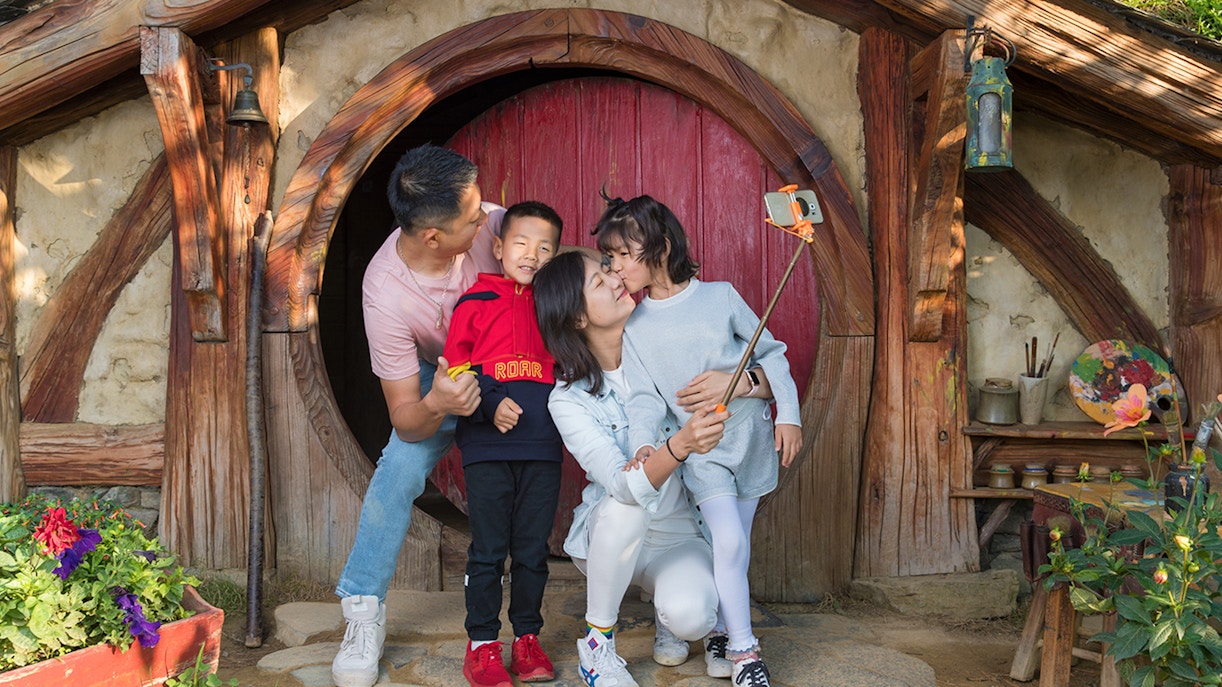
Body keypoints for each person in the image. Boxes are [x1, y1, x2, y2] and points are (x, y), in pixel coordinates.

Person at [535, 250, 778, 687]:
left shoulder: (671, 344)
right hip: (613, 535)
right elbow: (623, 486)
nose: (615, 279)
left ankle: (667, 609)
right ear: (576, 319)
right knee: (626, 504)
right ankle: (597, 647)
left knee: (693, 616)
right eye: (598, 281)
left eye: (610, 269)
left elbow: (770, 373)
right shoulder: (568, 400)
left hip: (679, 533)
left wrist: (742, 383)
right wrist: (681, 444)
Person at [595, 195, 803, 687]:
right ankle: (746, 653)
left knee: (734, 544)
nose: (616, 266)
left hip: (750, 439)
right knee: (727, 540)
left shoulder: (721, 297)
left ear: (662, 247)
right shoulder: (636, 327)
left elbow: (772, 352)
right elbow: (645, 399)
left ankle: (720, 630)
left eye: (624, 254)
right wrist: (644, 444)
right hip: (704, 453)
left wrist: (788, 415)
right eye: (610, 257)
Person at [331, 144, 503, 687]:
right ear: (433, 235)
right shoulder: (385, 293)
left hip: (516, 360)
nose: (486, 217)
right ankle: (362, 611)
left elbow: (554, 256)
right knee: (399, 469)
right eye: (474, 218)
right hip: (442, 378)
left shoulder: (491, 224)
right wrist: (437, 404)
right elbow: (406, 414)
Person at [441, 201, 565, 687]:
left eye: (544, 248)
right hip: (488, 448)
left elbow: (575, 361)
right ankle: (483, 645)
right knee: (489, 550)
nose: (532, 254)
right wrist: (489, 401)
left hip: (542, 447)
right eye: (520, 243)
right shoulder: (474, 303)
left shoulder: (555, 307)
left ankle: (528, 640)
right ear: (497, 247)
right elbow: (454, 366)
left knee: (533, 550)